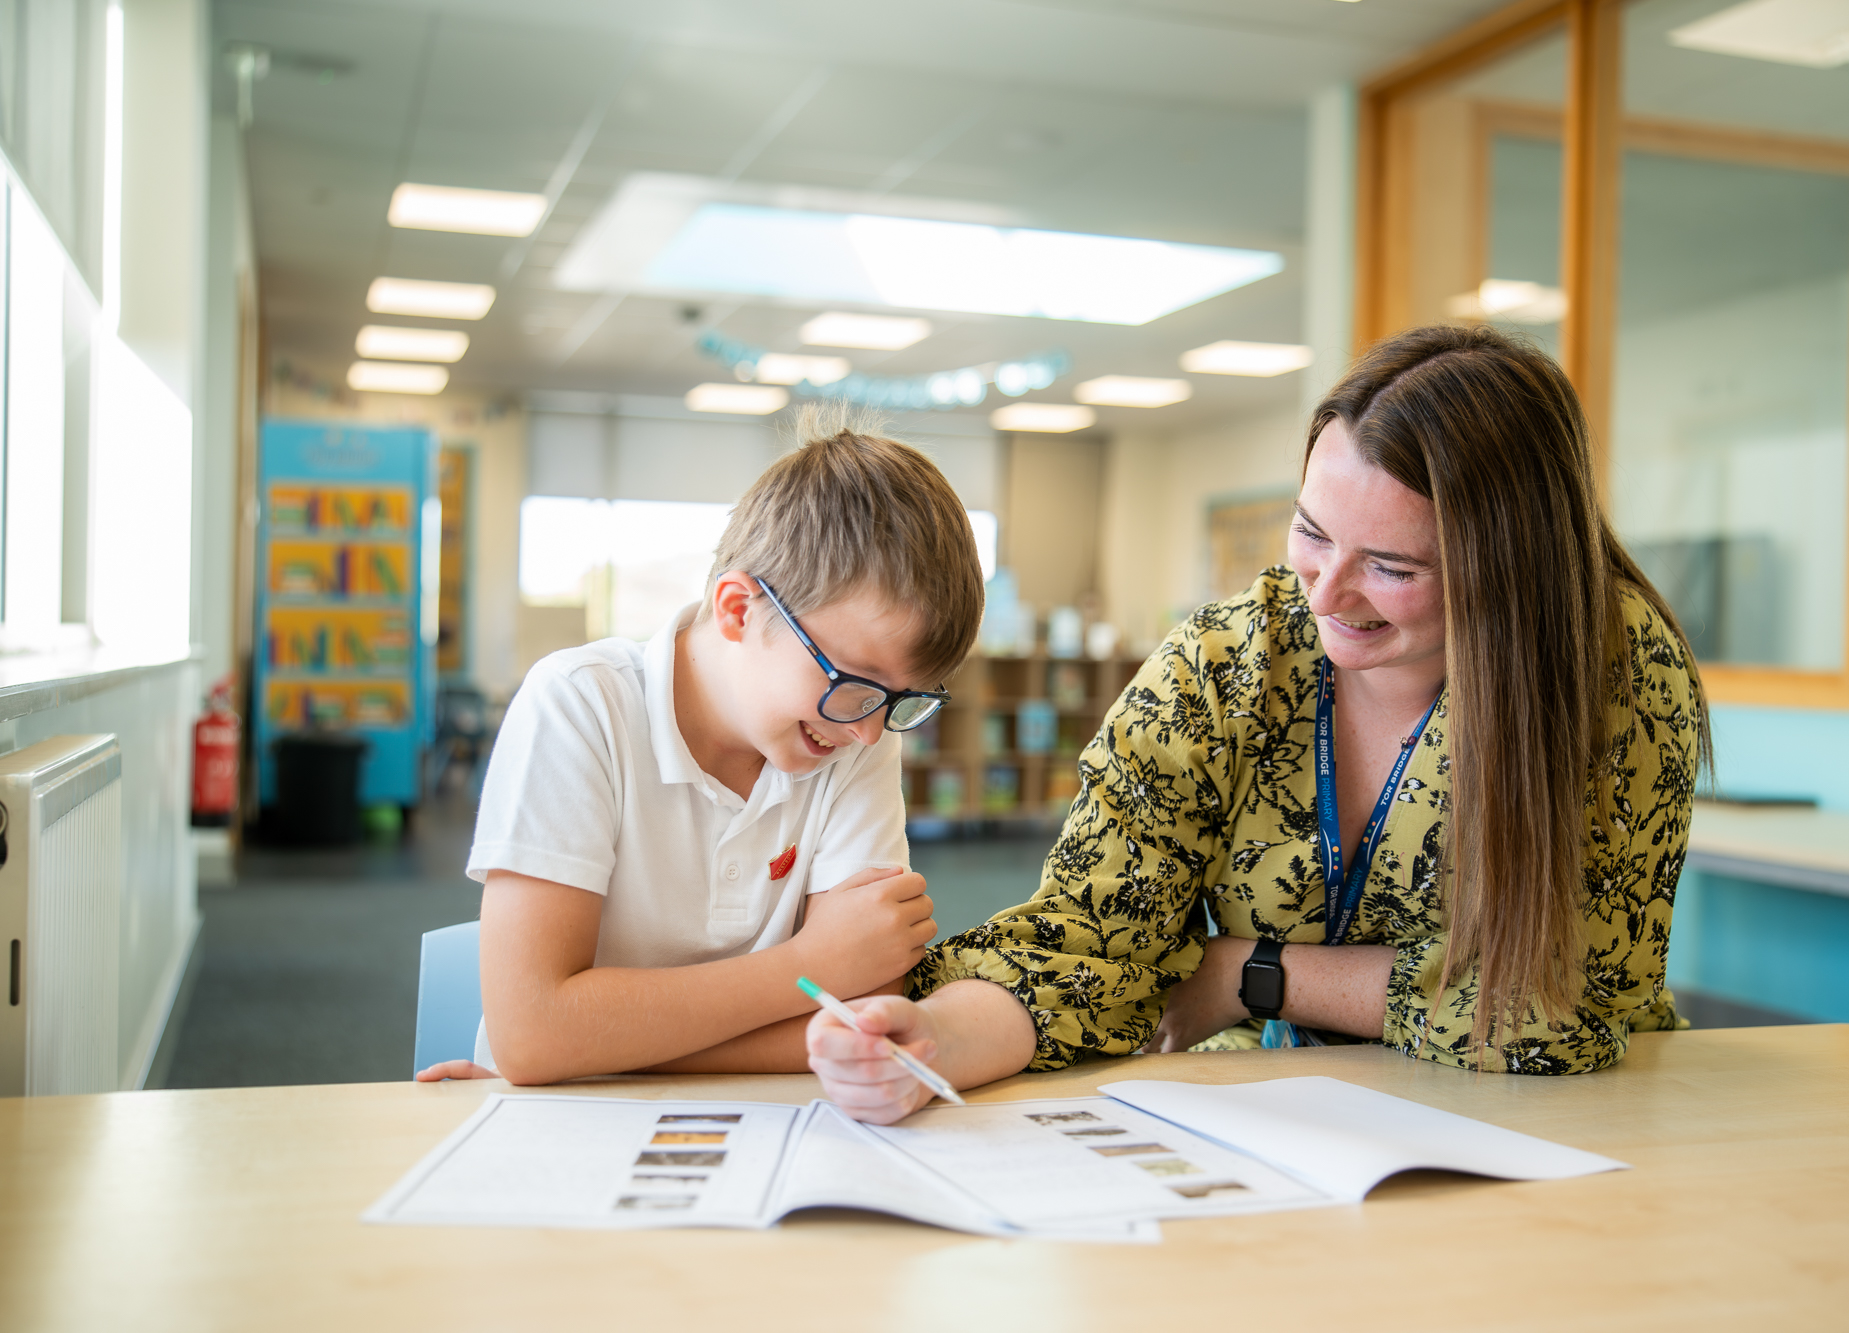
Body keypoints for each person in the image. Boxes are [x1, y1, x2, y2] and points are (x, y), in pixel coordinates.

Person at [807, 324, 1710, 1123]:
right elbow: (1090, 940)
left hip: (1554, 1116)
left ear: (1507, 569)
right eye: (1311, 531)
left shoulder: (1614, 671)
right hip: (1275, 1106)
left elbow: (1559, 1009)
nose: (1327, 593)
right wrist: (933, 1040)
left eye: (1392, 567)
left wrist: (1253, 971)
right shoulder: (1226, 666)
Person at [417, 408, 984, 1084]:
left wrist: (592, 1047)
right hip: (567, 1126)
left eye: (901, 701)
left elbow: (860, 1020)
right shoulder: (578, 704)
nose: (868, 730)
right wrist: (810, 964)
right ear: (739, 609)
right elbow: (534, 1032)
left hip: (741, 1118)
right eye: (854, 683)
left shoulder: (853, 731)